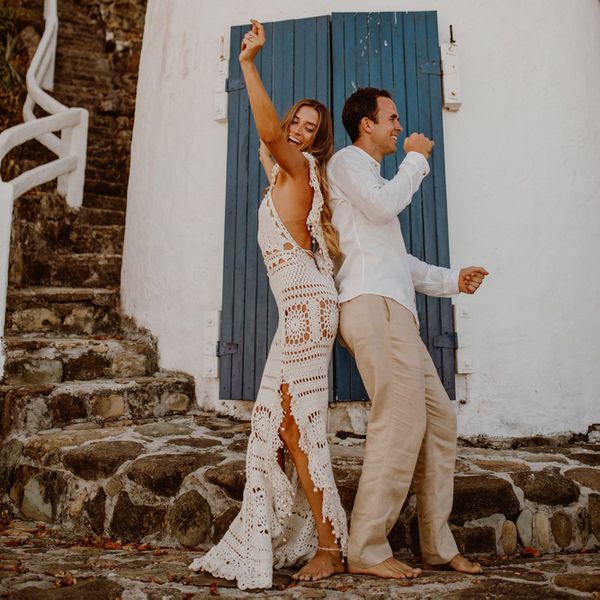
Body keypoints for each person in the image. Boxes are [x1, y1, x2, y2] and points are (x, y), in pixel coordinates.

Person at [189, 20, 347, 589]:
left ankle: (329, 546)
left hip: (307, 307)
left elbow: (264, 129)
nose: (301, 133)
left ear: (316, 142)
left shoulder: (299, 168)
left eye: (311, 129)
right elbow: (264, 139)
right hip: (300, 308)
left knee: (300, 429)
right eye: (296, 125)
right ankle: (301, 532)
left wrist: (249, 64)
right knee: (278, 427)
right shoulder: (282, 174)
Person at [326, 87, 488, 579]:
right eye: (392, 118)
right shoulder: (347, 163)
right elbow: (381, 208)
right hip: (371, 306)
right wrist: (416, 160)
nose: (399, 126)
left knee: (438, 423)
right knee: (397, 423)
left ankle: (436, 546)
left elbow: (396, 259)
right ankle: (368, 548)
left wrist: (450, 280)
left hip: (395, 309)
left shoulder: (372, 177)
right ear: (366, 125)